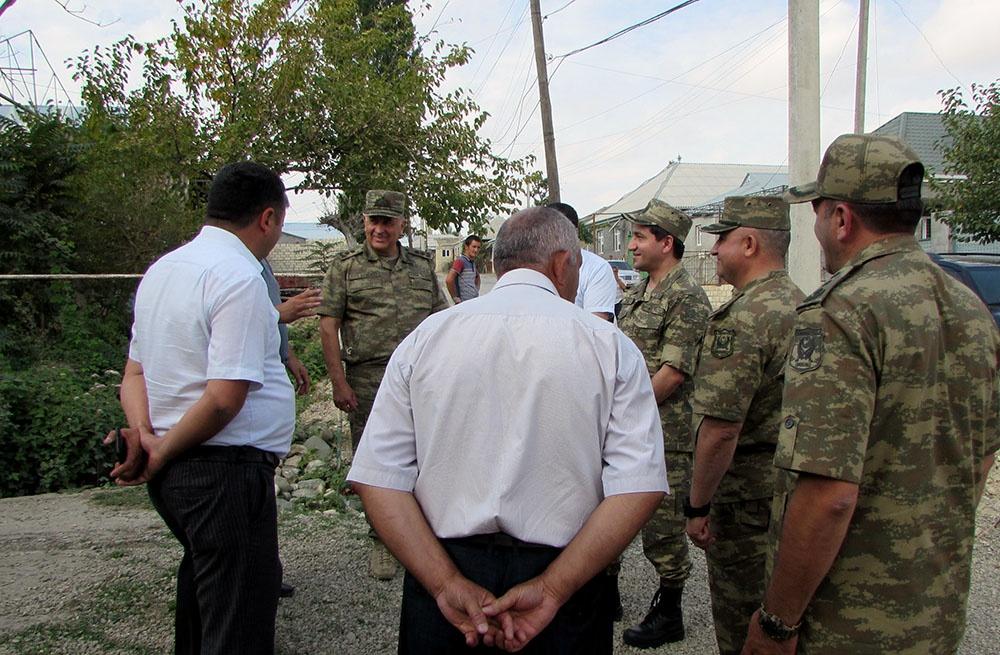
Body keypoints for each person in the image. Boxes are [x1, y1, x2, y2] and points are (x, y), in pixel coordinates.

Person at [347, 206, 668, 654]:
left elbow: (378, 476)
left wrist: (444, 584)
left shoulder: (426, 338)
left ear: (499, 264)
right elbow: (638, 486)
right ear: (561, 263)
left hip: (442, 570)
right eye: (576, 266)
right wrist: (554, 588)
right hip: (567, 579)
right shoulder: (610, 348)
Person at [742, 134, 999, 654]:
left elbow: (829, 492)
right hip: (934, 606)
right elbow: (981, 450)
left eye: (815, 214)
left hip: (846, 620)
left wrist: (777, 623)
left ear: (841, 218)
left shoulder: (840, 312)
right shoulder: (968, 306)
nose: (814, 230)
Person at [108, 161, 295, 655]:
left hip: (181, 470)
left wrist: (144, 436)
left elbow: (134, 375)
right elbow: (223, 398)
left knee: (204, 596)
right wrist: (161, 451)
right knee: (238, 621)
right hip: (222, 472)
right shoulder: (239, 276)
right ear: (268, 218)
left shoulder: (162, 270)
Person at [682, 196, 803, 655]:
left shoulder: (745, 317)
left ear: (749, 243)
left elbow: (720, 429)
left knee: (744, 627)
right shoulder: (805, 304)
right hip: (793, 490)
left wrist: (697, 506)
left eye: (722, 239)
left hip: (746, 501)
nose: (713, 251)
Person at [316, 189, 447, 580]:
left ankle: (425, 538)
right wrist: (338, 382)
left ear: (402, 225)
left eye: (387, 222)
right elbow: (328, 326)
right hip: (369, 377)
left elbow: (441, 322)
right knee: (376, 464)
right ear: (364, 222)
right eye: (373, 220)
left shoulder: (422, 268)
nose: (379, 228)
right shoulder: (345, 267)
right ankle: (383, 540)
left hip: (420, 379)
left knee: (427, 456)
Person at [616, 198, 710, 649]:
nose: (631, 244)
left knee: (661, 526)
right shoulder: (639, 291)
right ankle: (603, 594)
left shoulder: (687, 297)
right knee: (610, 508)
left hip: (665, 433)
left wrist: (623, 410)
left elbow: (671, 375)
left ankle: (670, 611)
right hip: (627, 425)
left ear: (666, 242)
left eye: (639, 237)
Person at [260, 260, 321, 599]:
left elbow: (271, 324)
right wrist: (282, 313)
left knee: (263, 497)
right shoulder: (234, 268)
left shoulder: (261, 263)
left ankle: (267, 569)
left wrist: (288, 355)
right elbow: (249, 319)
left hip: (267, 415)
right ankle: (259, 573)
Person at [547, 202, 618, 321]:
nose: (554, 237)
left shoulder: (597, 269)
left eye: (560, 230)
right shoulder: (535, 267)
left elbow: (595, 326)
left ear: (575, 231)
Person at [446, 235, 482, 303]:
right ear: (466, 247)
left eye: (478, 247)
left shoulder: (472, 262)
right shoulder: (460, 261)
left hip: (473, 301)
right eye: (474, 247)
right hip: (463, 303)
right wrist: (455, 298)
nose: (476, 250)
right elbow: (449, 280)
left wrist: (475, 290)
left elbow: (477, 278)